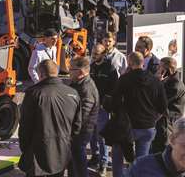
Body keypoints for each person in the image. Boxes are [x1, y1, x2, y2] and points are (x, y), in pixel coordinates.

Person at [19, 60, 82, 177]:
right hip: (61, 151)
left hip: (37, 152)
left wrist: (25, 148)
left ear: (41, 74)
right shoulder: (73, 93)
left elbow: (25, 125)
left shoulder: (33, 93)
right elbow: (77, 126)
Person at [111, 52, 167, 177]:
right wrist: (153, 119)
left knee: (117, 154)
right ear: (143, 62)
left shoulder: (124, 79)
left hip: (126, 126)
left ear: (129, 63)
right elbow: (163, 107)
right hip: (147, 127)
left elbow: (115, 102)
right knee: (142, 161)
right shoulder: (155, 81)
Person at [89, 43, 118, 176]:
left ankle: (103, 163)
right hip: (91, 107)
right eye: (93, 53)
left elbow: (114, 89)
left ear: (103, 54)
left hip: (102, 109)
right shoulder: (92, 67)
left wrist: (106, 103)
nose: (93, 56)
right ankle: (94, 156)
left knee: (102, 136)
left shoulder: (110, 68)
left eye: (96, 54)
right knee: (91, 134)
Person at [69, 56, 100, 177]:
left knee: (79, 159)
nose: (68, 71)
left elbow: (84, 115)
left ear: (80, 72)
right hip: (77, 130)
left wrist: (73, 130)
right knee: (73, 160)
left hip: (81, 131)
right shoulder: (78, 83)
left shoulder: (86, 88)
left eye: (71, 69)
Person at [151, 57, 185, 153]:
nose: (158, 69)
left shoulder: (175, 84)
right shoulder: (167, 81)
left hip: (167, 123)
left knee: (162, 150)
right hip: (162, 122)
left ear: (166, 69)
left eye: (160, 67)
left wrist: (157, 82)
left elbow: (161, 101)